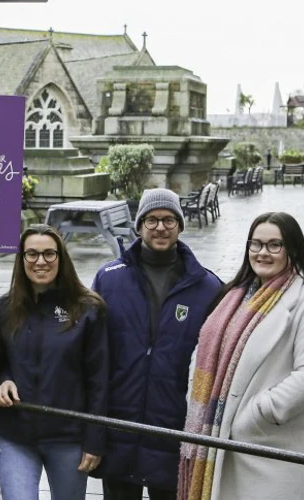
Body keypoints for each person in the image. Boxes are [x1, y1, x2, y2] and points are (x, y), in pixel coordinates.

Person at [179, 212, 304, 500]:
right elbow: (204, 349)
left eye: (273, 245)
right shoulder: (234, 296)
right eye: (255, 244)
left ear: (292, 249)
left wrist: (255, 417)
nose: (262, 253)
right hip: (219, 439)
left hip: (271, 449)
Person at [90, 188, 221, 500]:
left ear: (179, 225)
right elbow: (92, 352)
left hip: (171, 428)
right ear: (139, 226)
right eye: (151, 220)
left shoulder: (208, 287)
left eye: (168, 220)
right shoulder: (109, 278)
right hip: (119, 426)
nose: (160, 227)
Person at [0, 224, 108, 500]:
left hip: (67, 435)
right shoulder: (6, 308)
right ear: (21, 260)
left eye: (48, 254)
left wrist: (95, 439)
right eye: (31, 254)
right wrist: (3, 379)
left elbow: (99, 379)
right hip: (17, 433)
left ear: (61, 258)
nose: (40, 262)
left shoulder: (88, 309)